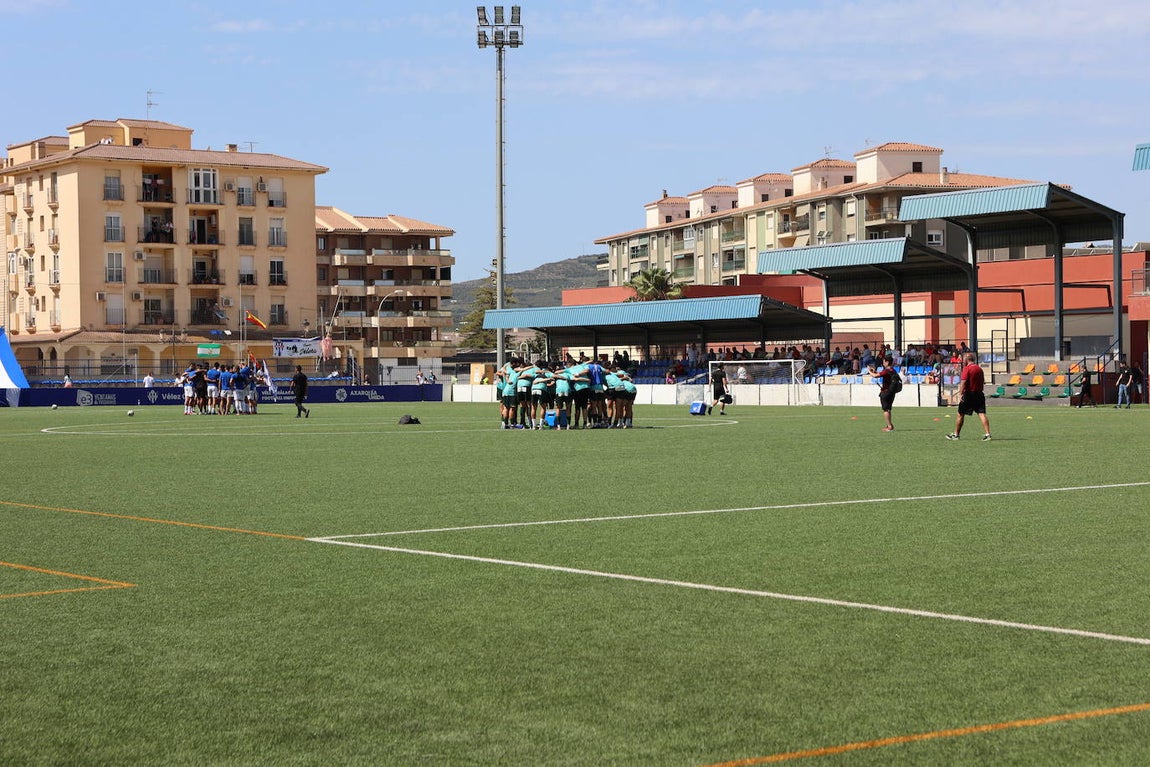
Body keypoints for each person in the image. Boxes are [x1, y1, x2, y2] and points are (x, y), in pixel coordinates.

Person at [947, 353, 991, 441]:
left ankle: (956, 435)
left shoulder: (967, 369)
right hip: (979, 394)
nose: (962, 361)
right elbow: (983, 381)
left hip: (969, 394)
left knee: (960, 414)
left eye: (963, 359)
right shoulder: (979, 369)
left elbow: (963, 382)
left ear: (967, 360)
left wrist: (961, 393)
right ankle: (988, 434)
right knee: (981, 413)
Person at [868, 356, 897, 432]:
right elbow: (880, 374)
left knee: (885, 410)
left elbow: (875, 376)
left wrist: (869, 371)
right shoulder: (893, 370)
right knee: (888, 409)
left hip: (885, 392)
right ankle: (890, 424)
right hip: (892, 392)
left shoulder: (886, 370)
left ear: (887, 362)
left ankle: (889, 427)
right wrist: (874, 371)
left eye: (884, 361)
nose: (883, 363)